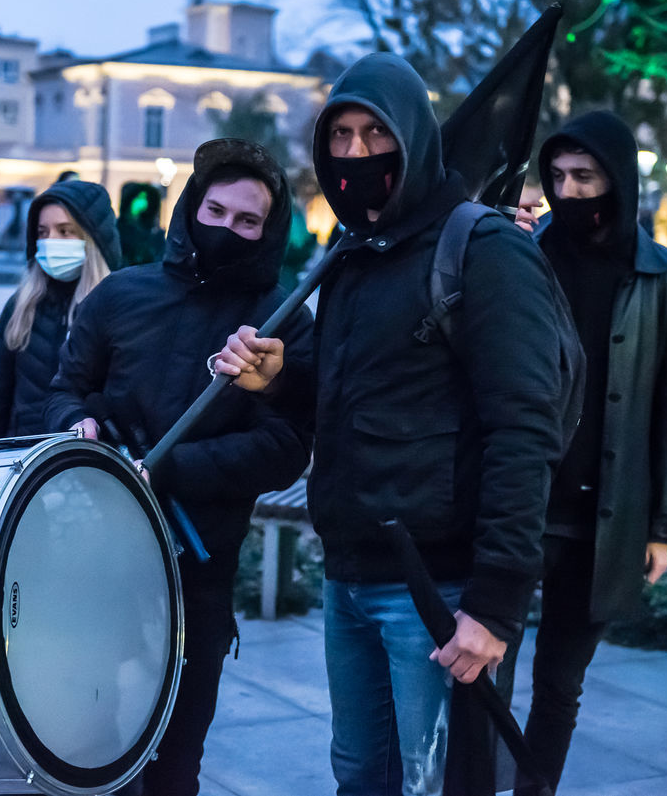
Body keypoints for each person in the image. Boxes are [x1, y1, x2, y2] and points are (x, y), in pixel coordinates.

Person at [215, 53, 565, 796]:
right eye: (338, 134)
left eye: (374, 133)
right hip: (350, 575)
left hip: (437, 590)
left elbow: (524, 430)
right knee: (360, 778)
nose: (354, 153)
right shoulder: (351, 254)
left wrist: (495, 604)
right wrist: (280, 383)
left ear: (412, 136)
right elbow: (354, 409)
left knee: (433, 783)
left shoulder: (483, 248)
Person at [45, 138, 314, 796]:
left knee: (174, 766)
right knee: (90, 744)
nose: (228, 229)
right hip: (95, 563)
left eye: (247, 221)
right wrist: (72, 426)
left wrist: (169, 469)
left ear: (267, 229)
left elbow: (286, 447)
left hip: (198, 572)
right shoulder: (120, 296)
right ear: (192, 206)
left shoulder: (282, 321)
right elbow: (64, 387)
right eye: (217, 211)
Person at [497, 111, 667, 793]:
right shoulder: (525, 253)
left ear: (619, 180)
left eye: (585, 176)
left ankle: (535, 788)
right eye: (557, 177)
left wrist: (664, 527)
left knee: (560, 683)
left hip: (606, 517)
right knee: (487, 670)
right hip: (522, 501)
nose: (569, 190)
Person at [0, 181, 120, 439]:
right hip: (20, 457)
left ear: (92, 239)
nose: (51, 241)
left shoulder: (116, 309)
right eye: (42, 232)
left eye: (65, 231)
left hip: (86, 464)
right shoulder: (22, 305)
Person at [117, 182, 165, 267]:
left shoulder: (154, 234)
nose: (143, 202)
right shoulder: (117, 229)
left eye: (146, 198)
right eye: (140, 197)